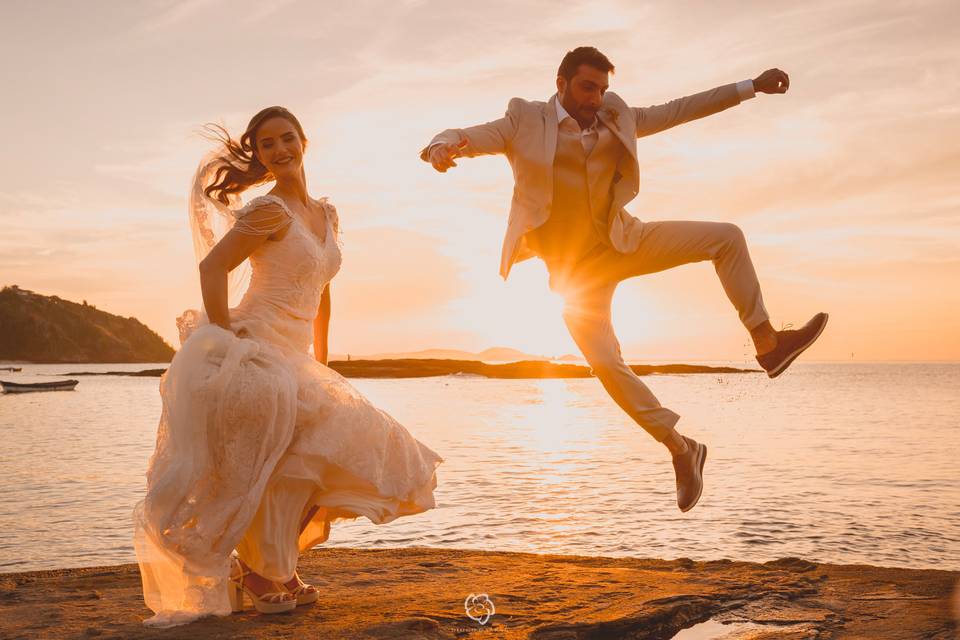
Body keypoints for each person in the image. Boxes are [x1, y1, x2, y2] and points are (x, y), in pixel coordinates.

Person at [420, 46, 827, 513]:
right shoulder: (524, 119)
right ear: (562, 83)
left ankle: (767, 344)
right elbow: (470, 136)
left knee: (726, 238)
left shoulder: (616, 116)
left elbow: (678, 110)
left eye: (602, 89)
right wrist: (441, 146)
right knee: (608, 366)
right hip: (574, 275)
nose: (596, 98)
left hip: (623, 242)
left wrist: (749, 87)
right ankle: (682, 449)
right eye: (587, 87)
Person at [133, 106, 444, 627]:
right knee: (283, 460)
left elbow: (323, 291)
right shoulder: (268, 210)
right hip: (257, 344)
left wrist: (322, 358)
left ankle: (272, 563)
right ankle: (261, 571)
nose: (279, 150)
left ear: (304, 140)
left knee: (327, 450)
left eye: (286, 139)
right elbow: (213, 266)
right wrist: (222, 334)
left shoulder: (325, 214)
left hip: (297, 355)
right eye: (266, 145)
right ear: (258, 155)